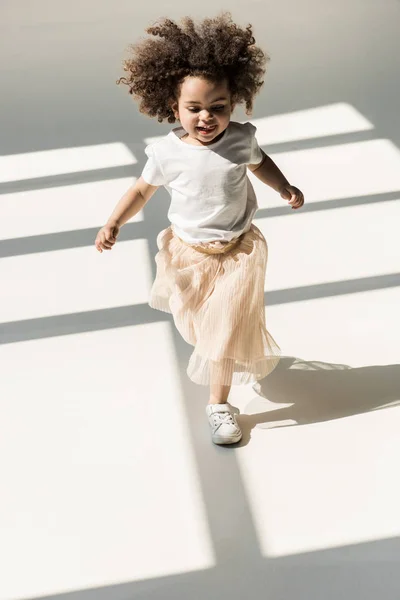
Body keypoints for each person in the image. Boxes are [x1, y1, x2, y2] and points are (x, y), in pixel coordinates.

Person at [95, 13, 304, 445]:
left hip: (238, 251)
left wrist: (284, 186)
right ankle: (217, 365)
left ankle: (219, 405)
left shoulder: (240, 140)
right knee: (195, 325)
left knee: (222, 329)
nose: (206, 117)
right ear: (173, 108)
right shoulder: (167, 154)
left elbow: (261, 164)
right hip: (188, 252)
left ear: (234, 104)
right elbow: (140, 190)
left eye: (218, 107)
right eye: (194, 109)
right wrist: (114, 221)